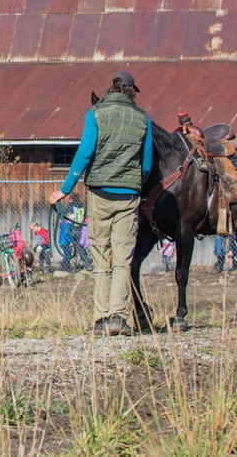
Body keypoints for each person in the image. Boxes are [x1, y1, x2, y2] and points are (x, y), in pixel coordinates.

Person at [49, 71, 153, 336]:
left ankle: (101, 318)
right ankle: (118, 317)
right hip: (128, 195)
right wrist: (134, 182)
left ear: (112, 88)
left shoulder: (95, 113)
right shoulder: (143, 118)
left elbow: (85, 153)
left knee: (100, 256)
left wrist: (65, 189)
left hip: (99, 194)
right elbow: (148, 164)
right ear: (132, 91)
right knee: (122, 259)